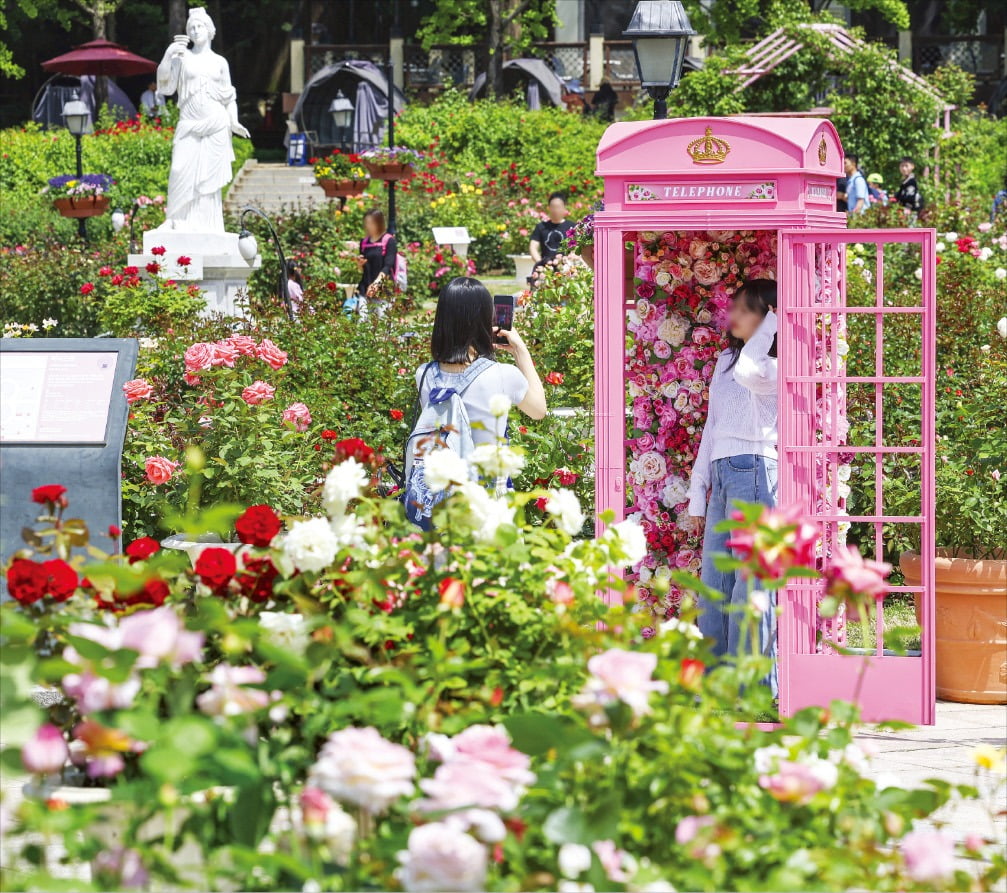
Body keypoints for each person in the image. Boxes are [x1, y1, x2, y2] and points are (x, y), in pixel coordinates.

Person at [686, 280, 779, 697]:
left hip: (757, 469)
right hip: (725, 474)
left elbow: (750, 373)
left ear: (768, 316)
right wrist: (697, 490)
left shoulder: (772, 365)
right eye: (734, 308)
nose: (734, 316)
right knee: (715, 582)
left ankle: (756, 687)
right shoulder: (727, 360)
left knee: (750, 585)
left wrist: (776, 324)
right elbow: (711, 428)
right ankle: (717, 686)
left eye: (747, 310)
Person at [416, 277, 547, 444]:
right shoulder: (503, 375)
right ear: (486, 319)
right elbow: (539, 411)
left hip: (440, 469)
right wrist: (521, 352)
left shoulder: (423, 373)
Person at [153, 7, 250, 233]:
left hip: (216, 125)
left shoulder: (220, 62)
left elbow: (229, 97)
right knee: (178, 170)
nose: (196, 31)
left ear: (209, 30)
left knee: (208, 183)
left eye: (199, 26)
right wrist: (168, 56)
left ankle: (206, 226)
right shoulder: (182, 58)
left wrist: (234, 122)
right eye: (191, 28)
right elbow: (165, 86)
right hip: (189, 124)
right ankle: (174, 219)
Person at [354, 208, 396, 319]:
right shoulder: (364, 242)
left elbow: (388, 266)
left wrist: (376, 284)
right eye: (367, 223)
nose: (368, 226)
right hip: (365, 287)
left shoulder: (389, 240)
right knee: (363, 322)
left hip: (383, 289)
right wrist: (360, 264)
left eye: (371, 223)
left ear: (379, 223)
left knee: (383, 324)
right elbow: (362, 270)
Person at [529, 192, 572, 275]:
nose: (556, 210)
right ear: (549, 208)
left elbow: (577, 248)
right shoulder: (540, 227)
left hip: (567, 268)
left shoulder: (572, 227)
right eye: (553, 207)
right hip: (545, 268)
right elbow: (533, 247)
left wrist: (569, 261)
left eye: (558, 207)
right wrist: (540, 263)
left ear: (564, 208)